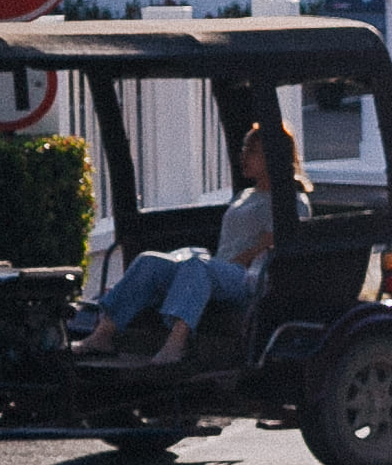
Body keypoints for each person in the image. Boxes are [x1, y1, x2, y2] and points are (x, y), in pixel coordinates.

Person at [82, 118, 289, 368]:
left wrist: (225, 264)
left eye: (252, 151)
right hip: (222, 270)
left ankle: (176, 344)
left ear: (272, 156)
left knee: (198, 266)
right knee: (150, 261)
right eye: (244, 149)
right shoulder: (245, 195)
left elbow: (272, 243)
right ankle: (104, 333)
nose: (244, 156)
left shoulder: (287, 199)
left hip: (250, 278)